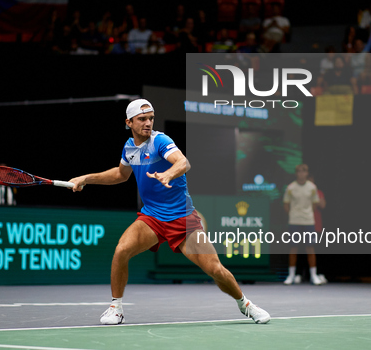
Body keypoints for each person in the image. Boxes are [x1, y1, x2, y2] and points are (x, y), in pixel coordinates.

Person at [68, 99, 270, 325]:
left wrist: (168, 174)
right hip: (152, 217)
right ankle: (116, 307)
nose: (148, 123)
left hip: (182, 218)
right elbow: (120, 175)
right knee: (121, 250)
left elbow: (183, 162)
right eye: (142, 119)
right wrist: (87, 178)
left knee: (215, 268)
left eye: (151, 118)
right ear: (129, 122)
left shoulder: (160, 141)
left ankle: (246, 304)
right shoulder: (129, 148)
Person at [282, 164, 323, 286]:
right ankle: (291, 275)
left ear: (307, 173)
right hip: (294, 221)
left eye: (303, 171)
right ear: (296, 173)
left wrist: (306, 214)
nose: (301, 173)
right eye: (299, 171)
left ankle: (314, 275)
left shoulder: (312, 187)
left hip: (308, 221)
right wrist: (294, 215)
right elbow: (286, 204)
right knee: (293, 247)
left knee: (310, 248)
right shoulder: (290, 187)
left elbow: (315, 204)